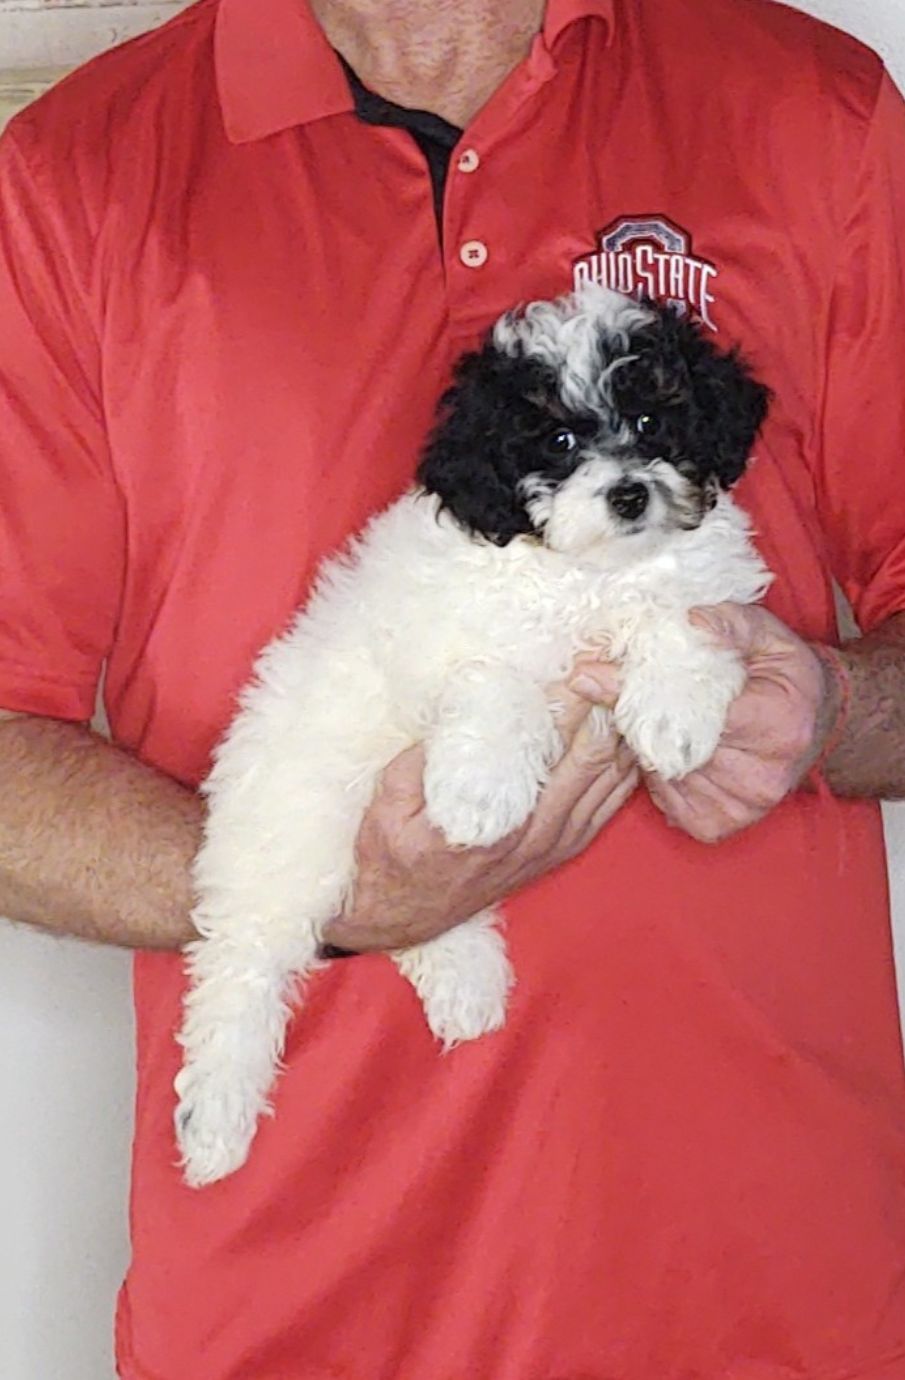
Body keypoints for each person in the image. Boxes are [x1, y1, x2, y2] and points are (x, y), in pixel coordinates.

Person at [1, 0, 905, 1374]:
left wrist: (835, 712)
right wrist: (333, 890)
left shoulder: (810, 108)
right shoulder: (75, 174)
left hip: (767, 1276)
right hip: (293, 1299)